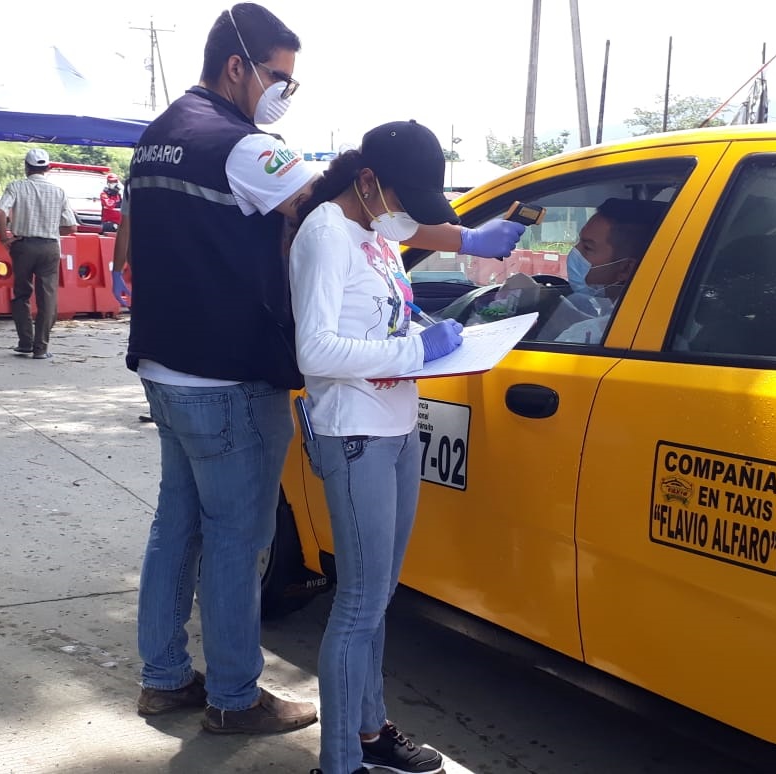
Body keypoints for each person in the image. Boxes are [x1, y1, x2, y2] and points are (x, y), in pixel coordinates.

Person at [116, 3, 523, 738]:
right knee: (240, 539)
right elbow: (336, 202)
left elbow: (128, 247)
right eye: (281, 78)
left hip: (164, 366)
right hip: (230, 374)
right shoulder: (244, 147)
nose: (284, 94)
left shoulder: (158, 140)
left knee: (176, 525)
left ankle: (164, 677)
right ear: (237, 66)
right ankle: (236, 698)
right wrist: (463, 234)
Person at [290, 120, 470, 774]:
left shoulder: (378, 235)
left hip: (397, 427)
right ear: (367, 182)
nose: (405, 216)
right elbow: (314, 350)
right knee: (359, 604)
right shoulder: (325, 235)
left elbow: (391, 318)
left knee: (379, 597)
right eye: (400, 200)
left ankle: (370, 732)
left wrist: (434, 331)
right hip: (354, 432)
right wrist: (415, 348)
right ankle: (338, 764)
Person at [0, 147, 78, 360]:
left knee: (22, 294)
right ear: (47, 168)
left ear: (26, 167)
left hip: (23, 246)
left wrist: (4, 237)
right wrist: (49, 230)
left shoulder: (16, 187)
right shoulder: (59, 192)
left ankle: (25, 342)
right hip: (50, 247)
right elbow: (71, 227)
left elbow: (1, 210)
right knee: (47, 298)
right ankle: (41, 348)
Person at [542, 198, 662, 343]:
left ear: (625, 269)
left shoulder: (584, 337)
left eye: (588, 248)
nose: (575, 252)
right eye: (579, 242)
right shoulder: (655, 321)